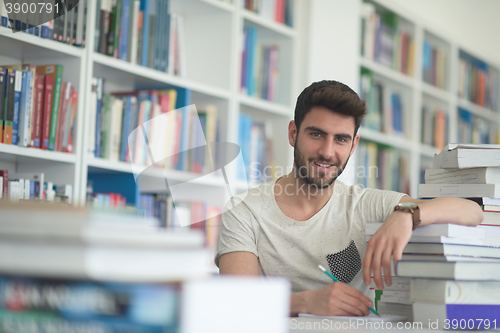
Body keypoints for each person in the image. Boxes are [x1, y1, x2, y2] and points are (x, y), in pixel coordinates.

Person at [216, 80, 483, 317]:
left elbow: (472, 211)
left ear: (353, 145)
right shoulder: (243, 211)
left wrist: (406, 213)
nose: (327, 151)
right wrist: (307, 301)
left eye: (341, 139)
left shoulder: (365, 205)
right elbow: (237, 302)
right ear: (293, 134)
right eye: (316, 134)